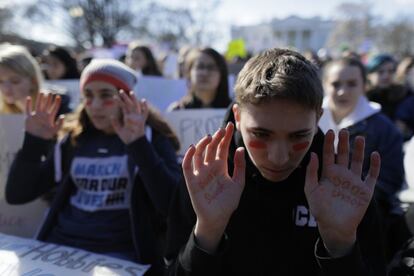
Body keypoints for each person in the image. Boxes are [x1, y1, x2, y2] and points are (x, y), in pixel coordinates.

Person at [165, 48, 386, 275]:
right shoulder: (206, 177)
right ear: (238, 117)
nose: (278, 157)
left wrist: (341, 246)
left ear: (318, 117)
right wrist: (206, 234)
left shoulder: (341, 183)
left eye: (299, 136)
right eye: (261, 134)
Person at [5, 59, 181, 275]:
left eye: (106, 95)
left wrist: (138, 145)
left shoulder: (152, 138)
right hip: (61, 247)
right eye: (88, 96)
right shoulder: (74, 139)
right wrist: (33, 143)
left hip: (120, 255)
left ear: (126, 97)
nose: (95, 105)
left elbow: (172, 205)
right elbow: (17, 195)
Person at [319, 57, 410, 261]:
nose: (343, 91)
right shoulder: (310, 121)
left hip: (365, 222)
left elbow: (390, 179)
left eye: (352, 84)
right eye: (335, 84)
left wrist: (349, 198)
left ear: (364, 85)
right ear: (325, 84)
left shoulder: (384, 129)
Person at [0, 43, 71, 115]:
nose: (6, 88)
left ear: (33, 81)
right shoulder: (3, 111)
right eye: (0, 81)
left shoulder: (56, 109)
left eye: (15, 81)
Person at [366, 54, 414, 140]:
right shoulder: (363, 99)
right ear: (369, 75)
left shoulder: (403, 95)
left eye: (390, 71)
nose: (386, 76)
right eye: (380, 72)